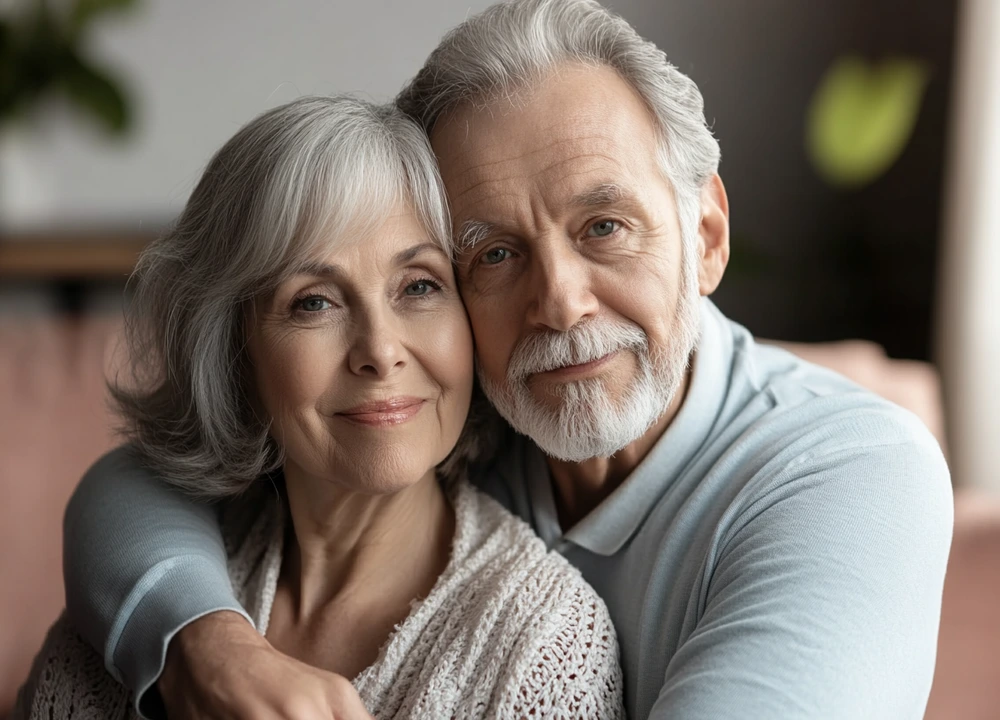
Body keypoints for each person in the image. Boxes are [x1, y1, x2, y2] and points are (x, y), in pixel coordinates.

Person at [58, 0, 954, 718]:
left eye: (604, 227)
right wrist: (207, 647)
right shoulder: (460, 410)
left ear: (707, 235)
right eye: (491, 253)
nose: (558, 300)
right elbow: (139, 482)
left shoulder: (851, 473)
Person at [12, 96, 625, 720]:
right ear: (234, 352)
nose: (380, 352)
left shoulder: (548, 646)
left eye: (419, 286)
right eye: (315, 302)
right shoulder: (141, 607)